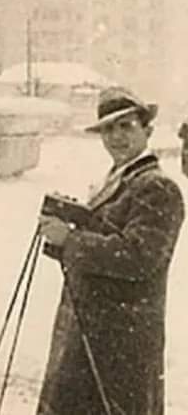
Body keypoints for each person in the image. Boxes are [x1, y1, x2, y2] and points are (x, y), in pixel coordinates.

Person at [36, 87, 184, 415]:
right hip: (96, 330)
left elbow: (139, 257)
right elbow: (110, 239)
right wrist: (64, 231)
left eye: (126, 126)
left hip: (123, 339)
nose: (116, 137)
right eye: (108, 129)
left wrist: (71, 241)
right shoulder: (120, 180)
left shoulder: (158, 187)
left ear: (147, 130)